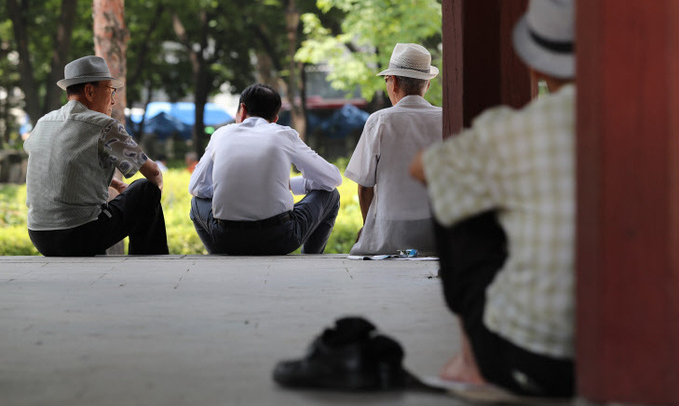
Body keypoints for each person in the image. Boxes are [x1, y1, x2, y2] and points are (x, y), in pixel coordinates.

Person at [410, 0, 576, 397]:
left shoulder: (512, 132)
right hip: (652, 352)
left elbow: (422, 168)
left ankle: (470, 361)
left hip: (533, 359)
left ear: (537, 65)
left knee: (453, 181)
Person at [24, 55, 169, 256]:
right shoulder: (103, 125)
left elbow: (53, 166)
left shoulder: (43, 122)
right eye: (110, 90)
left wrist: (100, 185)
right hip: (78, 235)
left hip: (40, 236)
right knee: (145, 190)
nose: (113, 99)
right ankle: (149, 262)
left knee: (98, 213)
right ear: (90, 91)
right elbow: (153, 172)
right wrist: (152, 198)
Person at [188, 83, 342, 255]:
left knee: (196, 202)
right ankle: (311, 258)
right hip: (280, 240)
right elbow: (332, 179)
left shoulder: (221, 134)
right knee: (331, 194)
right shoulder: (284, 135)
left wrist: (234, 189)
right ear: (275, 118)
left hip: (227, 240)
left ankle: (218, 254)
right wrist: (292, 185)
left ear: (242, 109)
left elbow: (196, 187)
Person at [344, 43, 442, 255]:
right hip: (437, 233)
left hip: (390, 233)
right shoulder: (446, 118)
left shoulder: (380, 121)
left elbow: (364, 186)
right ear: (427, 85)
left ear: (394, 82)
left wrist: (367, 229)